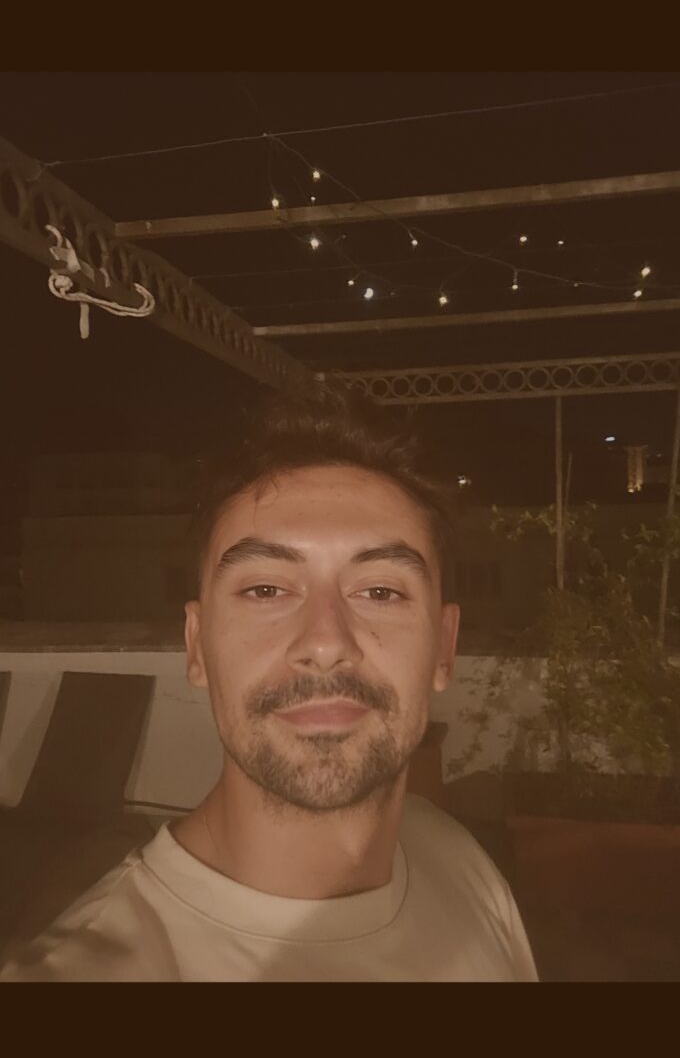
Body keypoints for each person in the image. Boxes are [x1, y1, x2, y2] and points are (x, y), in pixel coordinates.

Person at [0, 381, 538, 982]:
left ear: (444, 647)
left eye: (380, 591)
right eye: (265, 589)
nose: (326, 643)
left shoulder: (460, 861)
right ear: (197, 646)